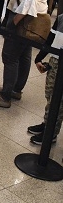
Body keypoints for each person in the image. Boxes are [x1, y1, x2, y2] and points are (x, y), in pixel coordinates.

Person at [30, 14, 63, 144]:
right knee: (50, 96)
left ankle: (51, 133)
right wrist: (39, 58)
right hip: (55, 61)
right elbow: (51, 38)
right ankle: (47, 123)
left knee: (58, 101)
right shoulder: (61, 18)